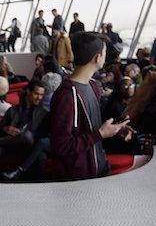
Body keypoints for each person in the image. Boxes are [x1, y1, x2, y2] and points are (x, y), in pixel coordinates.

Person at [49, 32, 133, 181]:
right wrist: (99, 134)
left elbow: (91, 128)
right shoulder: (67, 95)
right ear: (97, 58)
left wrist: (114, 129)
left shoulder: (94, 85)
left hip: (99, 167)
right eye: (105, 52)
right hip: (77, 178)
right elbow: (61, 146)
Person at [0, 80, 50, 181]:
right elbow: (1, 126)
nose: (39, 97)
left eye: (41, 95)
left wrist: (30, 135)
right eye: (36, 94)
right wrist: (6, 129)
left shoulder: (44, 113)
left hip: (31, 146)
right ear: (28, 92)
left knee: (29, 139)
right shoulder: (14, 109)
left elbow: (44, 135)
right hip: (12, 142)